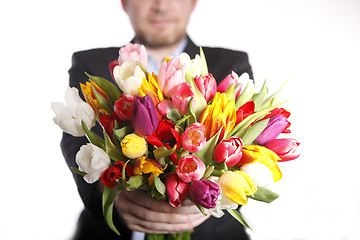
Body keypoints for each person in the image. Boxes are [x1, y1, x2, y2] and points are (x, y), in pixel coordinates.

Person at [61, 0, 253, 239]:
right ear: (124, 3)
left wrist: (216, 199)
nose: (161, 6)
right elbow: (75, 138)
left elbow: (247, 148)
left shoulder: (229, 64)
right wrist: (107, 191)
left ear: (193, 3)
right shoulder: (93, 63)